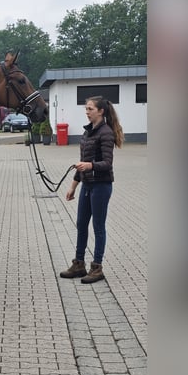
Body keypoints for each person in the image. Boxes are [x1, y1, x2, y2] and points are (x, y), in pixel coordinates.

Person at [60, 96, 124, 283]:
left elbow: (107, 163)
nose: (87, 112)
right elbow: (83, 162)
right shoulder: (88, 132)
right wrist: (73, 186)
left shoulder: (106, 133)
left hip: (101, 186)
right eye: (86, 109)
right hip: (87, 185)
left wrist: (89, 166)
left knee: (98, 226)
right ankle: (78, 264)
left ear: (101, 111)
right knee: (81, 224)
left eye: (90, 109)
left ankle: (97, 268)